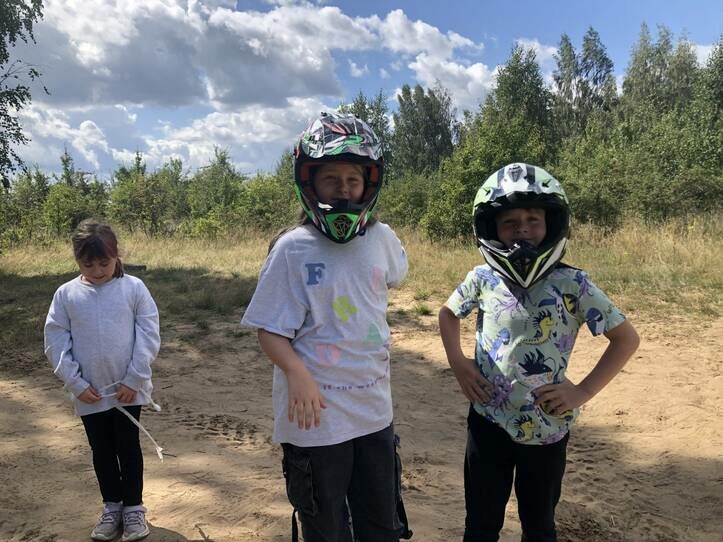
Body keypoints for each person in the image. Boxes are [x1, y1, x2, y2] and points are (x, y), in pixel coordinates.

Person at [438, 163, 640, 542]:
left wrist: (582, 391)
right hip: (488, 420)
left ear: (553, 222)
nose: (523, 229)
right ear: (491, 228)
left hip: (547, 427)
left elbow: (626, 339)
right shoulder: (483, 278)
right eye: (510, 222)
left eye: (533, 219)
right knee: (480, 523)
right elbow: (448, 314)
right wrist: (458, 362)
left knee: (540, 526)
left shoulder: (573, 283)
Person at [241, 112, 413, 542]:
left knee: (382, 522)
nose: (343, 188)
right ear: (309, 182)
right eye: (331, 179)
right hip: (315, 419)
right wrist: (296, 373)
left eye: (353, 179)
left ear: (369, 184)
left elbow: (394, 276)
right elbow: (270, 329)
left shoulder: (382, 239)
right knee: (326, 525)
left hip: (374, 410)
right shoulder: (292, 249)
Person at [44, 219, 160, 542]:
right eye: (88, 264)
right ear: (77, 260)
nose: (97, 271)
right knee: (102, 449)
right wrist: (76, 383)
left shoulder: (134, 288)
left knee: (127, 446)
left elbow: (149, 334)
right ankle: (112, 507)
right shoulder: (66, 295)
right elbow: (55, 341)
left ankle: (134, 509)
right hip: (89, 392)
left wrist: (135, 378)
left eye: (104, 263)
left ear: (117, 254)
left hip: (127, 391)